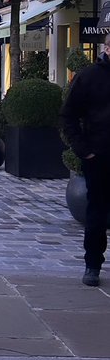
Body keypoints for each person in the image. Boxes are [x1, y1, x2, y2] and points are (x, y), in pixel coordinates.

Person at [61, 32, 110, 286]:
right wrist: (83, 149)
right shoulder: (89, 76)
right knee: (97, 214)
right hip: (99, 156)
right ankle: (93, 264)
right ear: (107, 48)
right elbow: (68, 115)